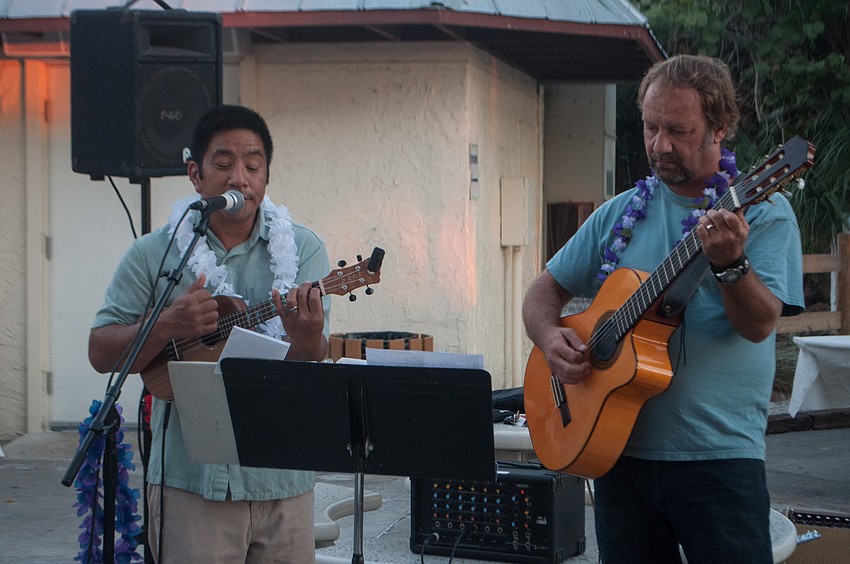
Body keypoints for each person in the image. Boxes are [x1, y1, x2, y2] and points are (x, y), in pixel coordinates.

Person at [522, 55, 804, 563]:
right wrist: (549, 337)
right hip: (615, 453)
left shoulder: (762, 211)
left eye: (678, 130)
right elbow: (543, 290)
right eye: (652, 128)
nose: (659, 145)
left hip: (719, 459)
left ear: (720, 127)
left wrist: (731, 265)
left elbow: (759, 325)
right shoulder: (620, 212)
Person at [89, 105, 330, 563]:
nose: (239, 178)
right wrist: (166, 325)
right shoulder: (154, 253)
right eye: (223, 164)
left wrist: (306, 340)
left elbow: (313, 355)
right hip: (190, 483)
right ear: (195, 176)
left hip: (283, 481)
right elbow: (101, 352)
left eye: (253, 166)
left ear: (265, 176)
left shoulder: (303, 248)